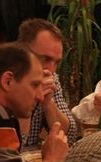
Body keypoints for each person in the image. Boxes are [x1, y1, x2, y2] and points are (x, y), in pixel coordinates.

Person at [17, 19, 80, 148]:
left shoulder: (51, 78)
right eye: (45, 59)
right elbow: (14, 144)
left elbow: (69, 136)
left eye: (56, 62)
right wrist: (29, 99)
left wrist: (48, 103)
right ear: (21, 51)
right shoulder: (3, 78)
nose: (51, 69)